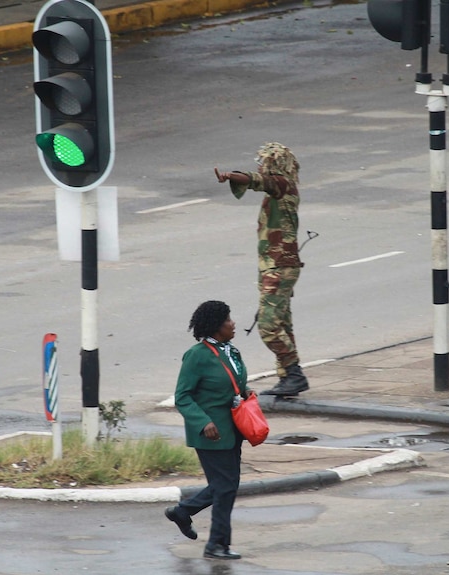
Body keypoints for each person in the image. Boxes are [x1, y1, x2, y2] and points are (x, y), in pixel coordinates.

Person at [214, 142, 309, 397]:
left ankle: (294, 374)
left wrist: (230, 176)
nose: (260, 165)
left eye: (264, 161)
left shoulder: (282, 185)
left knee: (268, 326)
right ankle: (288, 378)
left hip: (279, 266)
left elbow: (257, 180)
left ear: (275, 165)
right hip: (276, 265)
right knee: (282, 323)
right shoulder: (281, 190)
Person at [166, 300, 248, 560]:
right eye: (227, 320)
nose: (233, 323)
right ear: (215, 326)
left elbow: (234, 384)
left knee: (227, 485)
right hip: (211, 433)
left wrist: (246, 394)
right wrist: (202, 422)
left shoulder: (230, 351)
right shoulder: (197, 355)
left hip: (233, 430)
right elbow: (182, 396)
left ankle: (184, 512)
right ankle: (216, 545)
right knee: (225, 487)